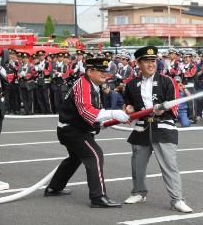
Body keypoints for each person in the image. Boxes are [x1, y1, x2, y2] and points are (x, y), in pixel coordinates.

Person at [44, 58, 129, 208]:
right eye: (101, 71)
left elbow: (92, 111)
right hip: (72, 130)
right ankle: (98, 197)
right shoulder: (83, 84)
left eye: (106, 71)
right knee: (95, 155)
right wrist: (113, 114)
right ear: (90, 71)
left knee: (75, 158)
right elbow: (87, 111)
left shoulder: (94, 85)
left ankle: (54, 188)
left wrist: (101, 123)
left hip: (75, 128)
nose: (105, 74)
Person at [123, 46, 193, 213]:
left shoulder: (167, 81)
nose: (151, 64)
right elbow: (128, 103)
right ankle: (139, 192)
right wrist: (129, 108)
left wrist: (164, 110)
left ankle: (177, 199)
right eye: (146, 61)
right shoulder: (131, 84)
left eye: (153, 61)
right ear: (138, 63)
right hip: (142, 127)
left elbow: (175, 104)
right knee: (137, 164)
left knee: (170, 165)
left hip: (163, 126)